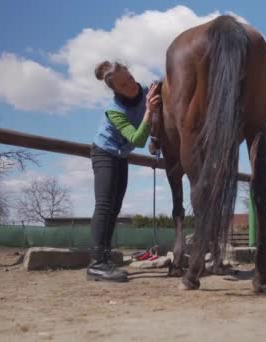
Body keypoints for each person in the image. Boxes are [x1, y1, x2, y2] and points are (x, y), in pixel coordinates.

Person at [87, 60, 161, 282]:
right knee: (104, 205)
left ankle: (106, 258)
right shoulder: (114, 111)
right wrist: (149, 111)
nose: (131, 85)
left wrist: (156, 136)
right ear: (115, 90)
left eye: (130, 78)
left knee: (115, 207)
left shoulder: (147, 91)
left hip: (120, 155)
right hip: (104, 153)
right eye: (124, 85)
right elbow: (138, 140)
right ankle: (96, 264)